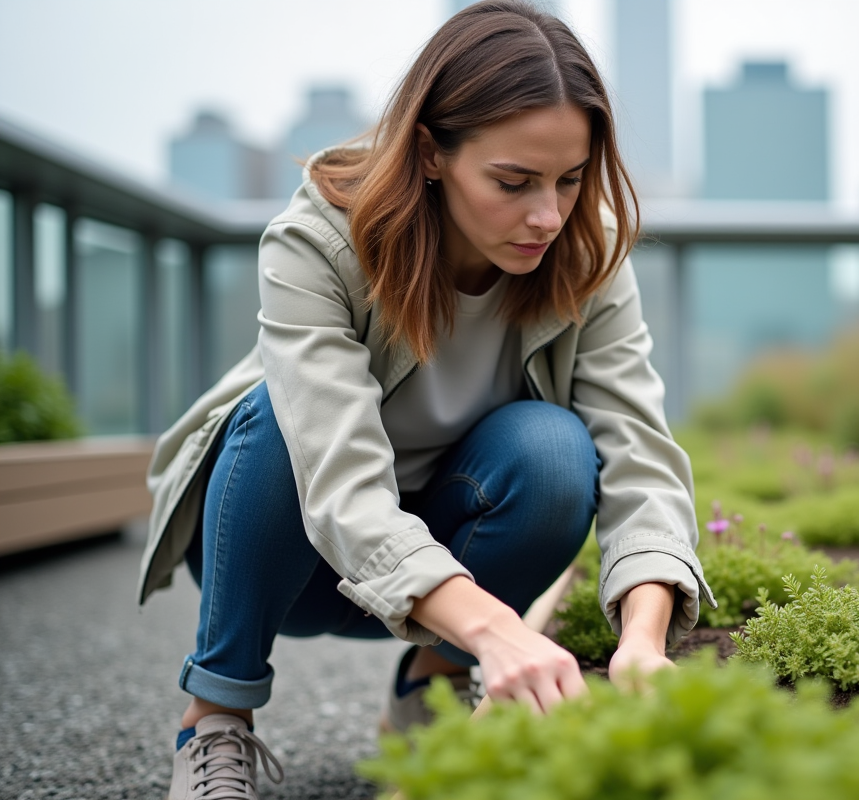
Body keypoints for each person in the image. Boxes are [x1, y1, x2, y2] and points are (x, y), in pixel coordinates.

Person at [139, 2, 714, 798]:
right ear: (431, 153)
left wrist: (643, 642)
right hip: (284, 554)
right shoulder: (321, 239)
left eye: (571, 179)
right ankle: (214, 722)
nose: (547, 215)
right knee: (278, 419)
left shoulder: (584, 254)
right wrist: (502, 632)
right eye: (512, 182)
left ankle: (431, 686)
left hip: (445, 560)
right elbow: (335, 479)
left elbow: (639, 454)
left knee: (555, 449)